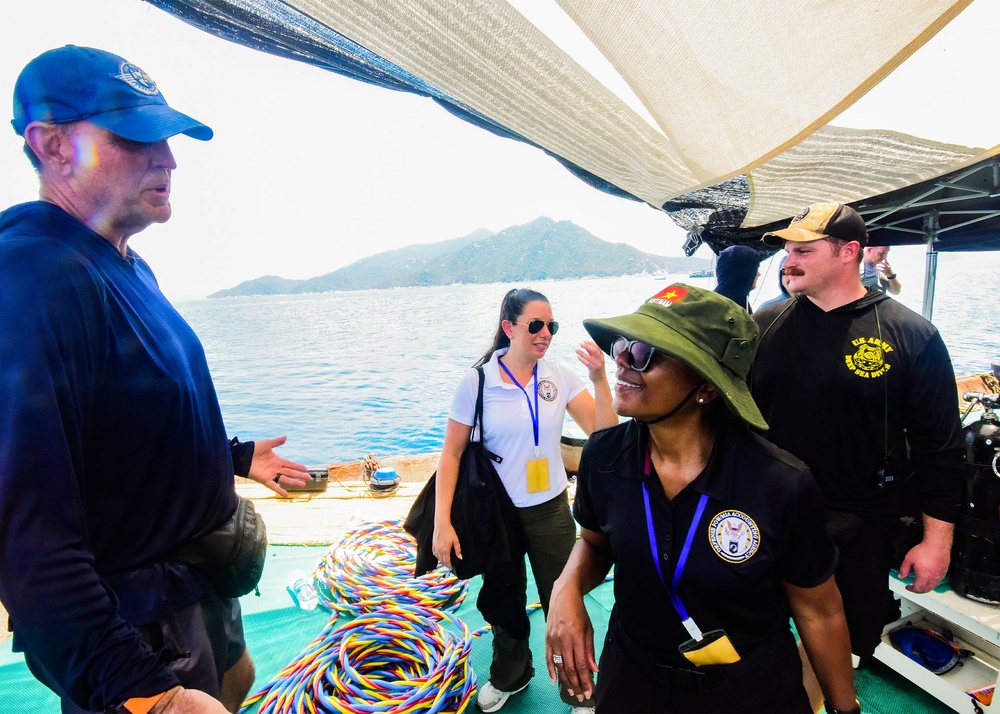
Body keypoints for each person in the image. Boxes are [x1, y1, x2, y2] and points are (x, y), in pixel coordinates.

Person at [0, 46, 311, 714]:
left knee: (238, 680)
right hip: (142, 630)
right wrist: (145, 693)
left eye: (166, 138)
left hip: (197, 595)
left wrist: (235, 458)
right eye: (134, 137)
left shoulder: (126, 266)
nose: (166, 158)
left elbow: (125, 420)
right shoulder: (27, 279)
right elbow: (27, 542)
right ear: (51, 145)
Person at [544, 284, 858, 713]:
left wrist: (846, 709)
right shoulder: (603, 455)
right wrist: (567, 589)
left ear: (705, 387)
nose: (620, 361)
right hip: (633, 683)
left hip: (748, 692)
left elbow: (820, 613)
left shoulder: (780, 483)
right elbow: (595, 543)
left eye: (644, 353)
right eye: (622, 345)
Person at [752, 202, 964, 659]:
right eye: (788, 250)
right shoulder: (763, 325)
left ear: (848, 251)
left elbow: (941, 448)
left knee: (842, 644)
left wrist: (936, 542)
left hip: (861, 524)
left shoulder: (911, 334)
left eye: (804, 251)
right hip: (769, 514)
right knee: (755, 632)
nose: (789, 261)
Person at [432, 288, 617, 714]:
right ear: (509, 328)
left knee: (565, 600)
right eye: (535, 325)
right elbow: (451, 454)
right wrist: (443, 522)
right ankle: (510, 676)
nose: (545, 333)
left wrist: (600, 379)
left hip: (551, 509)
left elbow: (605, 435)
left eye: (551, 325)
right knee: (504, 599)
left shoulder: (560, 375)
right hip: (495, 512)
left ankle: (579, 691)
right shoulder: (478, 382)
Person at [713, 244, 761, 311]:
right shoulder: (718, 310)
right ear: (745, 273)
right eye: (755, 269)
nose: (759, 274)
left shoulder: (713, 304)